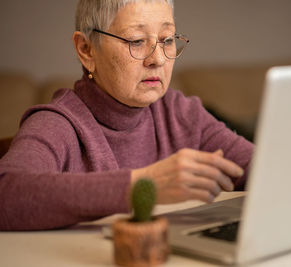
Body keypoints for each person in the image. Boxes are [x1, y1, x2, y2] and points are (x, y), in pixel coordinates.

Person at [0, 0, 253, 230]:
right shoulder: (56, 124)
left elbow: (262, 169)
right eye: (135, 40)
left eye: (166, 39)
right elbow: (5, 195)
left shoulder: (181, 114)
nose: (157, 59)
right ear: (87, 49)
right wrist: (143, 186)